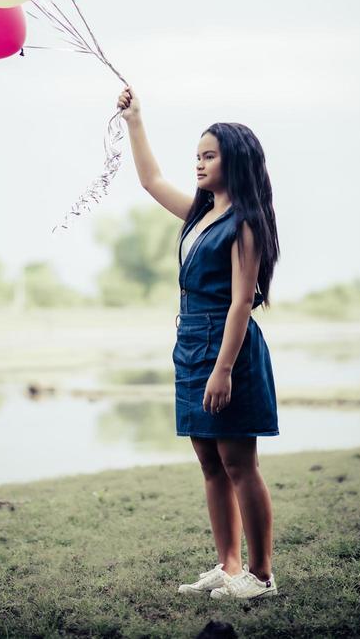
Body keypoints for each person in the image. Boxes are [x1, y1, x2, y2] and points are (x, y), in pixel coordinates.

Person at [116, 84, 280, 602]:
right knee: (210, 462)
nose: (200, 164)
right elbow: (150, 179)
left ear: (236, 161)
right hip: (190, 341)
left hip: (225, 346)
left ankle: (260, 575)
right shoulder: (199, 214)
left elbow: (240, 303)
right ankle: (229, 566)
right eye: (198, 156)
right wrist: (135, 120)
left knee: (239, 464)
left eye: (210, 156)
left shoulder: (245, 223)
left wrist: (224, 369)